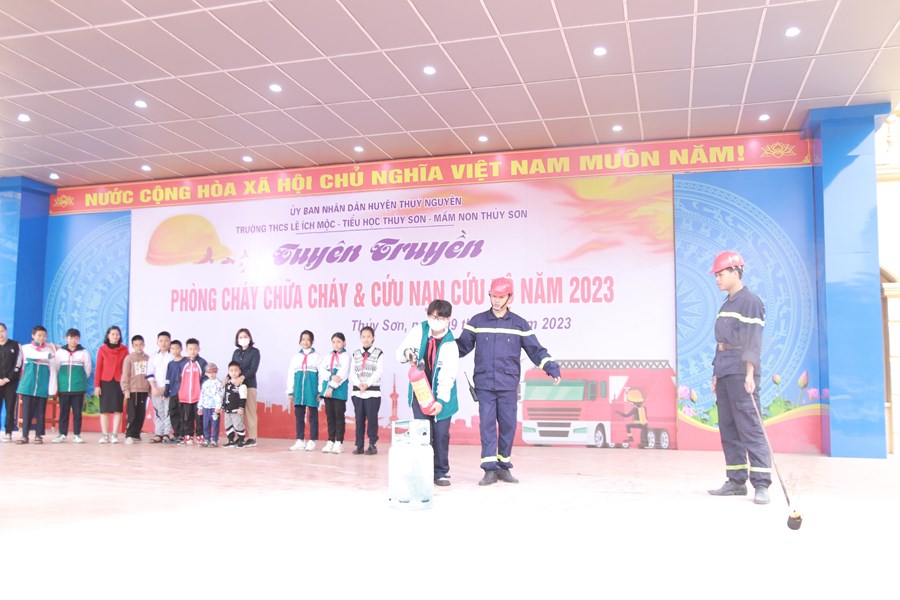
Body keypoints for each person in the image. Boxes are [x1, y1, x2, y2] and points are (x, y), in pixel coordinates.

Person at [457, 277, 560, 486]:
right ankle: (489, 470)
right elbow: (461, 347)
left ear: (509, 297)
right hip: (485, 384)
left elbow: (535, 350)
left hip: (508, 384)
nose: (496, 300)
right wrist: (439, 348)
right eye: (493, 296)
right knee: (487, 426)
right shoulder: (477, 322)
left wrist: (550, 367)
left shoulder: (519, 324)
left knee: (508, 426)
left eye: (500, 296)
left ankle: (503, 467)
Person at [706, 250, 772, 505]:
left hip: (741, 372)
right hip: (725, 370)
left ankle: (762, 484)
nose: (718, 279)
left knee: (750, 427)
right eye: (716, 275)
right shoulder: (727, 304)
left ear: (736, 272)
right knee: (729, 427)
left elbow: (753, 342)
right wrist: (716, 374)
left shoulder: (750, 302)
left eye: (721, 274)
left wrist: (750, 374)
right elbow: (720, 343)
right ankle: (736, 481)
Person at [396, 299, 459, 486]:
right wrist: (407, 353)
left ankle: (440, 472)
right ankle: (423, 471)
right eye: (432, 316)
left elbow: (447, 377)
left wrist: (441, 401)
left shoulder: (450, 344)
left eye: (439, 318)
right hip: (421, 391)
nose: (434, 321)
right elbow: (399, 353)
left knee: (440, 434)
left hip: (442, 394)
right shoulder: (419, 330)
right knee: (423, 433)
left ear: (448, 319)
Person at [15, 325, 57, 444]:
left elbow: (53, 369)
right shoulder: (26, 348)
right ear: (33, 336)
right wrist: (49, 353)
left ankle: (39, 435)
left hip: (42, 386)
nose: (42, 338)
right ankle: (24, 435)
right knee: (27, 412)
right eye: (39, 335)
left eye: (44, 336)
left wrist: (52, 387)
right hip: (28, 385)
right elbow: (32, 355)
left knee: (41, 412)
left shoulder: (48, 350)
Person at [349, 326, 384, 455]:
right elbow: (352, 372)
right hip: (358, 392)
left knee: (372, 420)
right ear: (360, 338)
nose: (366, 339)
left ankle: (372, 445)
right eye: (363, 336)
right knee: (359, 420)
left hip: (372, 393)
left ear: (373, 338)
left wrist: (367, 384)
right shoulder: (355, 353)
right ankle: (359, 445)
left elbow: (378, 371)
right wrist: (359, 384)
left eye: (369, 336)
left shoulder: (378, 353)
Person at [54, 328, 92, 443]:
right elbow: (56, 368)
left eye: (75, 338)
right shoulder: (60, 352)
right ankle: (62, 434)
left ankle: (77, 434)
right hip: (64, 388)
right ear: (66, 338)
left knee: (77, 413)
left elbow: (88, 369)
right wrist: (61, 382)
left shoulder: (84, 352)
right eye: (71, 338)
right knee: (63, 412)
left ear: (78, 339)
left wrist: (79, 380)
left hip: (78, 388)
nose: (73, 340)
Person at [94, 326, 129, 444]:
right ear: (108, 335)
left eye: (117, 334)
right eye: (113, 334)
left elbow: (127, 368)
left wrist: (126, 385)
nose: (115, 336)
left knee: (117, 409)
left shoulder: (124, 349)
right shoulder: (102, 349)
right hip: (105, 382)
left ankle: (114, 434)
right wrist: (97, 385)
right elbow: (98, 368)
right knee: (104, 410)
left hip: (119, 382)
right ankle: (105, 435)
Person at [287, 330, 320, 452]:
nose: (305, 342)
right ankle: (300, 440)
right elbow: (291, 375)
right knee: (299, 416)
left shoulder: (317, 357)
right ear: (300, 341)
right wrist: (290, 391)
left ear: (312, 341)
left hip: (312, 390)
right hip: (298, 391)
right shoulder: (296, 358)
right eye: (303, 339)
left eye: (308, 339)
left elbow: (321, 375)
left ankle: (312, 440)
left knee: (313, 416)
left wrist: (320, 391)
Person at [318, 332, 350, 454]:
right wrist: (330, 377)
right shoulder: (327, 356)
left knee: (339, 417)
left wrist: (331, 387)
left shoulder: (346, 356)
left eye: (339, 342)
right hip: (327, 392)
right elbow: (322, 370)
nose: (336, 344)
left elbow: (342, 375)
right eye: (334, 342)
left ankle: (339, 442)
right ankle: (330, 440)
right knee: (330, 417)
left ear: (344, 342)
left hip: (339, 391)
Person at [231, 328, 260, 447]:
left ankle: (252, 437)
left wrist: (242, 377)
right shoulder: (236, 353)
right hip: (236, 387)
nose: (243, 339)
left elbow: (253, 369)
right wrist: (228, 378)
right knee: (238, 412)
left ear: (250, 338)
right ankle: (240, 436)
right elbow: (232, 368)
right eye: (240, 337)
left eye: (245, 336)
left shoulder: (255, 352)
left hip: (249, 385)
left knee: (250, 411)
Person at [177, 338, 208, 444]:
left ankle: (200, 436)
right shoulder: (183, 363)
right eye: (190, 349)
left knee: (199, 417)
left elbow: (205, 379)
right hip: (185, 397)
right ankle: (188, 436)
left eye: (195, 349)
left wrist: (202, 392)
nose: (193, 351)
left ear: (199, 349)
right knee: (187, 417)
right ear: (186, 350)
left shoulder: (202, 363)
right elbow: (179, 379)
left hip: (198, 397)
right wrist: (180, 392)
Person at [121, 334, 151, 444]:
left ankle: (136, 433)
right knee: (132, 413)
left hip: (144, 390)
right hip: (133, 390)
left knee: (141, 413)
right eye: (136, 345)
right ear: (133, 346)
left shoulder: (148, 358)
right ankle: (129, 434)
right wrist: (126, 390)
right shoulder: (129, 358)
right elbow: (125, 375)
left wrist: (150, 390)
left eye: (141, 344)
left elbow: (151, 375)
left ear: (144, 345)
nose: (139, 347)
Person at [145, 331, 173, 443]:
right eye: (161, 341)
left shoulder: (172, 356)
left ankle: (167, 433)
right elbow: (150, 373)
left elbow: (174, 374)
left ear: (170, 342)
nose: (164, 343)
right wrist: (154, 388)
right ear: (157, 342)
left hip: (169, 389)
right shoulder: (153, 357)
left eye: (166, 341)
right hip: (156, 389)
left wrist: (165, 388)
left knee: (168, 411)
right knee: (158, 412)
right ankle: (159, 433)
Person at [0, 323, 22, 442]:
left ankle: (8, 433)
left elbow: (18, 364)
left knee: (10, 408)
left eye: (2, 331)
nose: (0, 334)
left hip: (11, 383)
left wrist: (7, 379)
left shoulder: (15, 345)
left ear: (6, 331)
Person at [164, 340, 186, 444]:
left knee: (182, 414)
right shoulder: (170, 364)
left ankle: (183, 435)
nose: (175, 350)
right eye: (173, 348)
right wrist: (166, 391)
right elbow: (167, 379)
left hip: (183, 393)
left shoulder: (186, 362)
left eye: (177, 348)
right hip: (173, 393)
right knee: (173, 413)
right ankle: (176, 434)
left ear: (181, 349)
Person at [222, 361, 247, 448]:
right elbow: (225, 396)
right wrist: (223, 406)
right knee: (228, 425)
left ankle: (241, 441)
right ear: (228, 372)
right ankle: (231, 441)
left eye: (236, 370)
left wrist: (241, 408)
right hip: (227, 409)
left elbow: (243, 398)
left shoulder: (241, 385)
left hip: (237, 410)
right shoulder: (227, 383)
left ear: (239, 371)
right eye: (231, 370)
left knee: (238, 425)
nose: (233, 372)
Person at [198, 363, 223, 447]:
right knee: (206, 424)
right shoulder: (205, 383)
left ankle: (214, 440)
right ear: (206, 373)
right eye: (209, 372)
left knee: (215, 424)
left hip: (214, 408)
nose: (212, 374)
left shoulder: (219, 383)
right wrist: (200, 407)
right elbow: (202, 395)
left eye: (214, 372)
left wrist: (218, 407)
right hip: (206, 407)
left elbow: (220, 395)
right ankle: (206, 439)